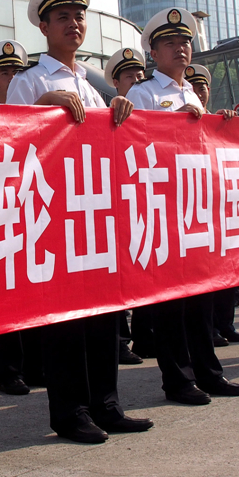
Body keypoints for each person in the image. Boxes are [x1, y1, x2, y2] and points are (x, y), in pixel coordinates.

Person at [6, 0, 152, 444]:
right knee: (67, 323)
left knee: (104, 318)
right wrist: (44, 106)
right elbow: (12, 144)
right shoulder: (29, 82)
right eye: (63, 17)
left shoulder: (92, 84)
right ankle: (69, 411)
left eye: (79, 16)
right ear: (44, 27)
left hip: (95, 217)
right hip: (55, 218)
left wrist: (120, 119)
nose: (74, 24)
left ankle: (106, 404)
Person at [127, 7, 239, 405]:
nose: (180, 49)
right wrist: (174, 122)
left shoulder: (191, 92)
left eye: (185, 42)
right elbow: (135, 144)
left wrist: (221, 123)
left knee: (201, 298)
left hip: (196, 207)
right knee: (171, 304)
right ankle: (178, 380)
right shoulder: (143, 93)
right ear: (153, 52)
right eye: (170, 43)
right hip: (163, 208)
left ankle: (209, 373)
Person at [0, 40, 37, 395]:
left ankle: (35, 365)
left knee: (33, 292)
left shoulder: (36, 111)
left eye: (17, 71)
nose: (12, 77)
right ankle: (9, 371)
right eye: (5, 72)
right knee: (2, 298)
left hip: (33, 208)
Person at [184, 64, 239, 347]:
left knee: (227, 272)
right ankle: (209, 328)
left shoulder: (216, 120)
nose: (200, 92)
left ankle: (226, 323)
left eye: (203, 88)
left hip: (219, 207)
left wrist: (227, 123)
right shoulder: (183, 117)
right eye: (195, 87)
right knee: (203, 277)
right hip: (191, 207)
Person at [104, 47, 149, 365]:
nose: (137, 81)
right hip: (115, 202)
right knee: (115, 275)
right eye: (130, 77)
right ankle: (120, 341)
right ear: (116, 83)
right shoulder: (107, 115)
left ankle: (144, 337)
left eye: (140, 75)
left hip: (146, 198)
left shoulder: (144, 108)